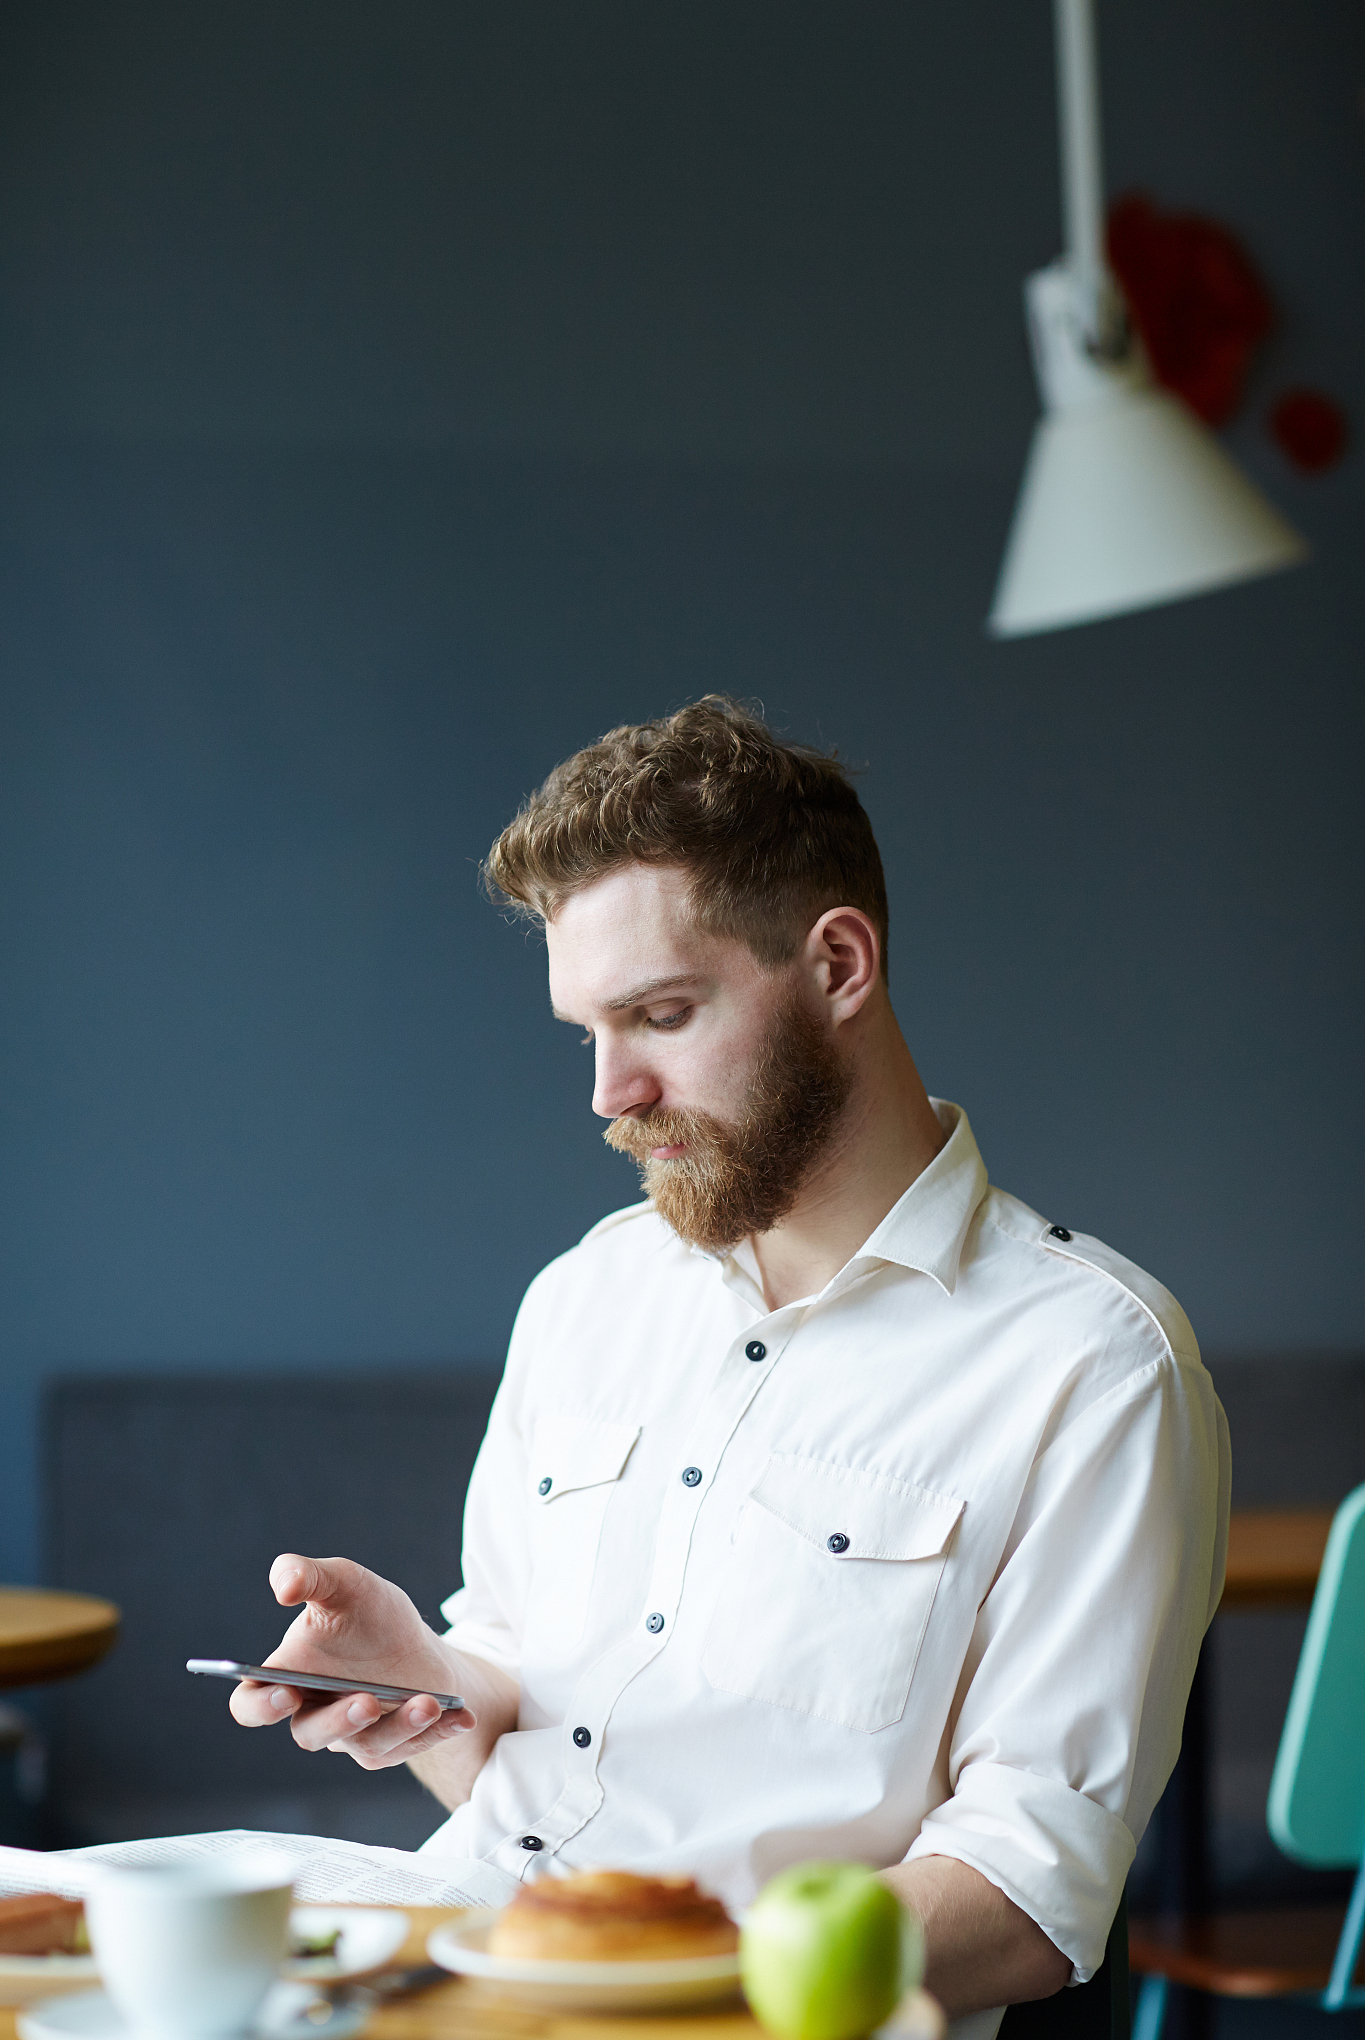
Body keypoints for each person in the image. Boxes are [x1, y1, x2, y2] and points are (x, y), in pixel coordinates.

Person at [230, 698, 1229, 2037]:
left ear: (835, 964)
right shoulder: (587, 1294)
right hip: (447, 1967)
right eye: (586, 1032)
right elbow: (516, 1763)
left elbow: (1028, 1893)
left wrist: (651, 1981)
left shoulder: (1094, 1367)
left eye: (659, 1014)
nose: (609, 1092)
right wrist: (418, 1682)